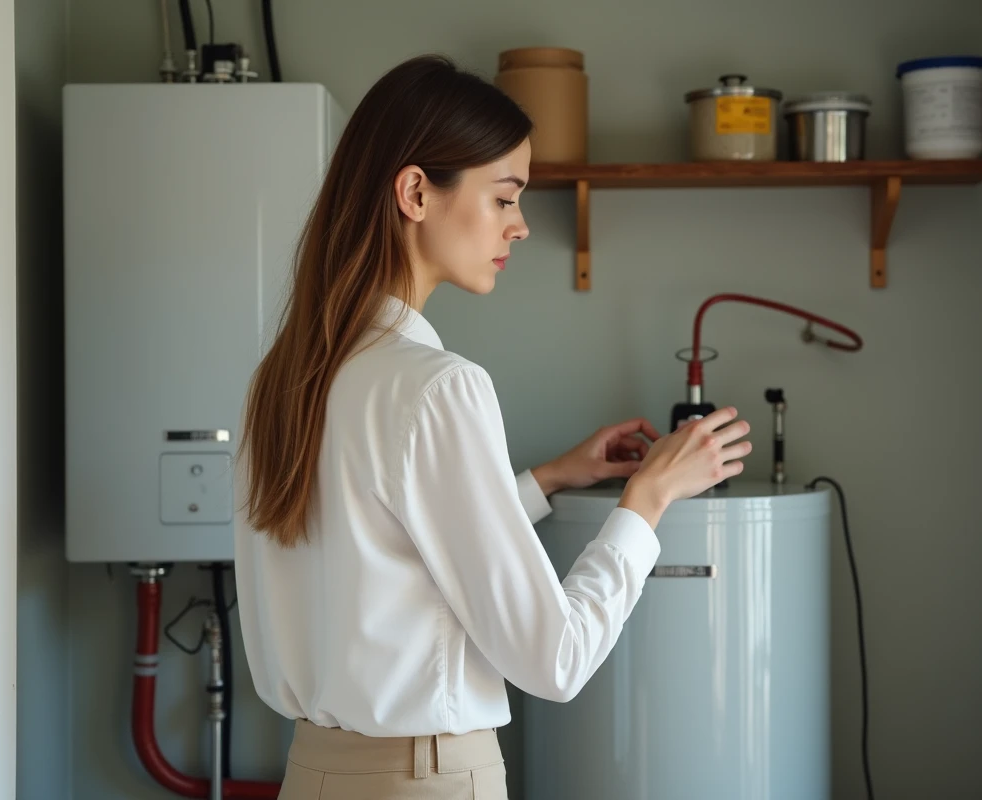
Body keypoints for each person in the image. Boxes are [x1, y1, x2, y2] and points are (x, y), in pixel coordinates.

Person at [233, 54, 752, 800]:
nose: (521, 225)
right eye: (505, 197)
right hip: (425, 779)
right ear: (415, 191)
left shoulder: (281, 382)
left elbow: (384, 549)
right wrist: (649, 497)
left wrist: (548, 481)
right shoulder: (440, 387)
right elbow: (556, 660)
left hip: (311, 774)